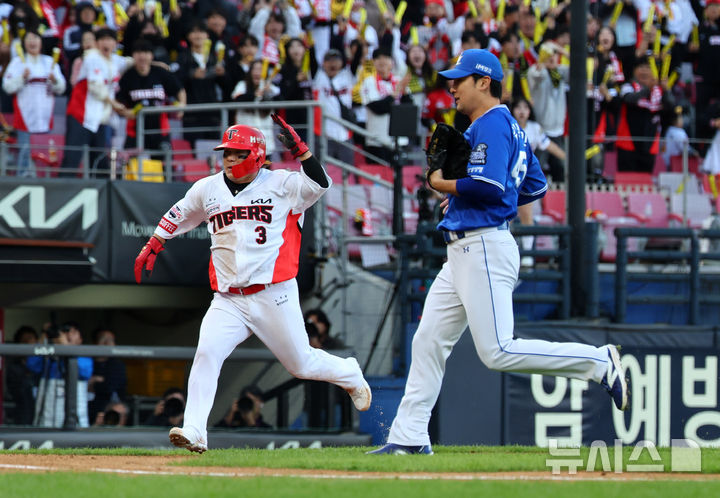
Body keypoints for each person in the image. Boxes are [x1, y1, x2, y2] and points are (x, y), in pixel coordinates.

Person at [369, 49, 629, 455]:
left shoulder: (490, 124)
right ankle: (410, 437)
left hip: (484, 245)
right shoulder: (510, 128)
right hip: (466, 247)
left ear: (484, 82)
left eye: (460, 79)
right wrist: (460, 200)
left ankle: (598, 362)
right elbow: (533, 186)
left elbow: (490, 188)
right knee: (428, 341)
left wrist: (447, 186)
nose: (451, 87)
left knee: (498, 350)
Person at [134, 115, 371, 453]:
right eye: (226, 153)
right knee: (207, 354)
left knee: (300, 364)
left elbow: (321, 185)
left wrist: (303, 153)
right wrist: (155, 241)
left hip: (273, 293)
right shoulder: (209, 187)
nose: (228, 159)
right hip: (228, 299)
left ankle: (348, 373)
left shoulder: (283, 184)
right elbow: (180, 211)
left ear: (256, 156)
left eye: (236, 153)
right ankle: (195, 431)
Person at [1, 30, 66, 177]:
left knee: (43, 153)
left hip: (44, 115)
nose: (33, 41)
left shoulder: (50, 62)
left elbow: (61, 88)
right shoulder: (18, 62)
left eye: (35, 38)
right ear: (24, 43)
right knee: (24, 152)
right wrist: (22, 78)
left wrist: (54, 81)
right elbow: (7, 87)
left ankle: (44, 179)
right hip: (24, 115)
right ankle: (22, 178)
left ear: (41, 41)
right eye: (29, 38)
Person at [116, 39, 186, 157]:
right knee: (130, 166)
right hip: (135, 131)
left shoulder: (160, 73)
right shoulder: (127, 76)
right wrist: (125, 112)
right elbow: (119, 101)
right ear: (133, 55)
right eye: (138, 53)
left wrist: (182, 105)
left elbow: (179, 90)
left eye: (146, 52)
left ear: (151, 55)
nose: (142, 56)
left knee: (165, 166)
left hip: (160, 130)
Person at [87, 328, 127, 424]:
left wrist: (93, 383)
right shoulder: (88, 362)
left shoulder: (118, 365)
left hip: (111, 409)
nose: (108, 344)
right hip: (90, 409)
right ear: (95, 343)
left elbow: (109, 387)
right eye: (104, 340)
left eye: (111, 340)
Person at [6, 326, 39, 425]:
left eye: (31, 339)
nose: (29, 343)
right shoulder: (12, 366)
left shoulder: (44, 363)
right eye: (25, 341)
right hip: (22, 413)